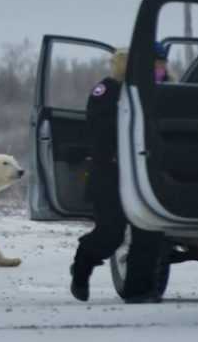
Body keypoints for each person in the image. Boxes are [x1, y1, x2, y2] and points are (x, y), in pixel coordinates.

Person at [70, 43, 171, 304]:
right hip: (112, 175)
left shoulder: (169, 91)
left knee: (149, 233)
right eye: (155, 64)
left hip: (150, 175)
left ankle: (139, 290)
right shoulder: (109, 89)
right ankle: (82, 266)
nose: (160, 68)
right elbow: (98, 124)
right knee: (110, 234)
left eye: (162, 63)